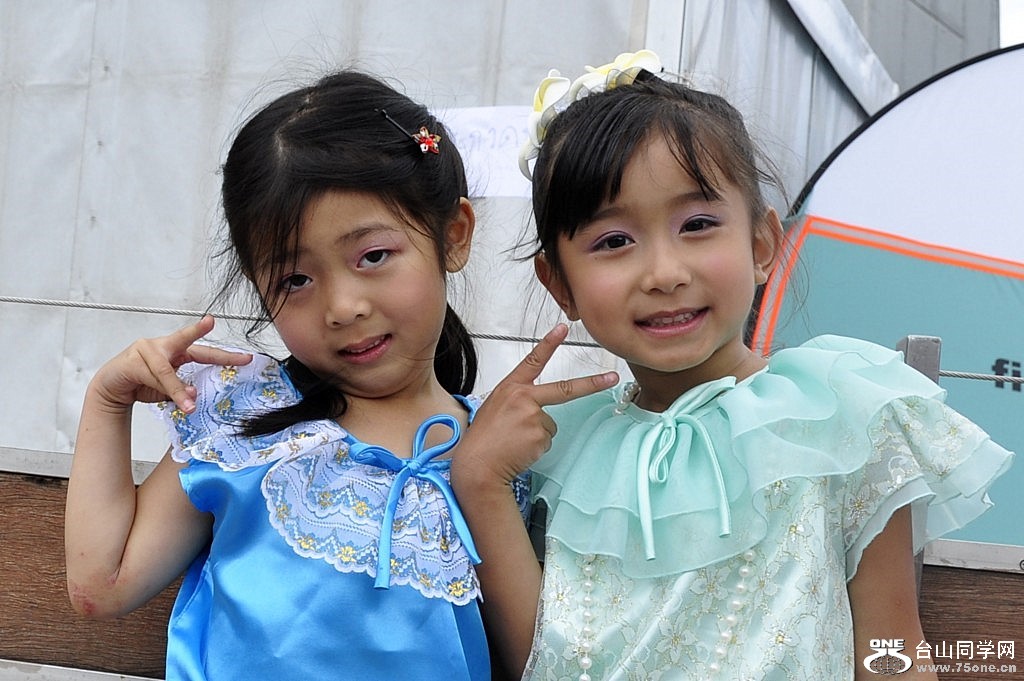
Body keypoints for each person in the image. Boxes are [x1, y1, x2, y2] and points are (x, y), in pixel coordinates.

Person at [450, 51, 1014, 680]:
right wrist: (480, 482)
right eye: (613, 241)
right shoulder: (556, 448)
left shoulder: (841, 415)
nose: (664, 273)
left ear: (761, 245)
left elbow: (893, 653)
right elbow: (538, 662)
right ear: (559, 284)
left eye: (697, 224)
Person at [64, 69, 615, 680]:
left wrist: (482, 480)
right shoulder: (245, 420)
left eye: (373, 256)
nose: (342, 307)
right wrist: (107, 403)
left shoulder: (499, 451)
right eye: (295, 279)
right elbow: (102, 585)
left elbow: (538, 664)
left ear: (453, 235)